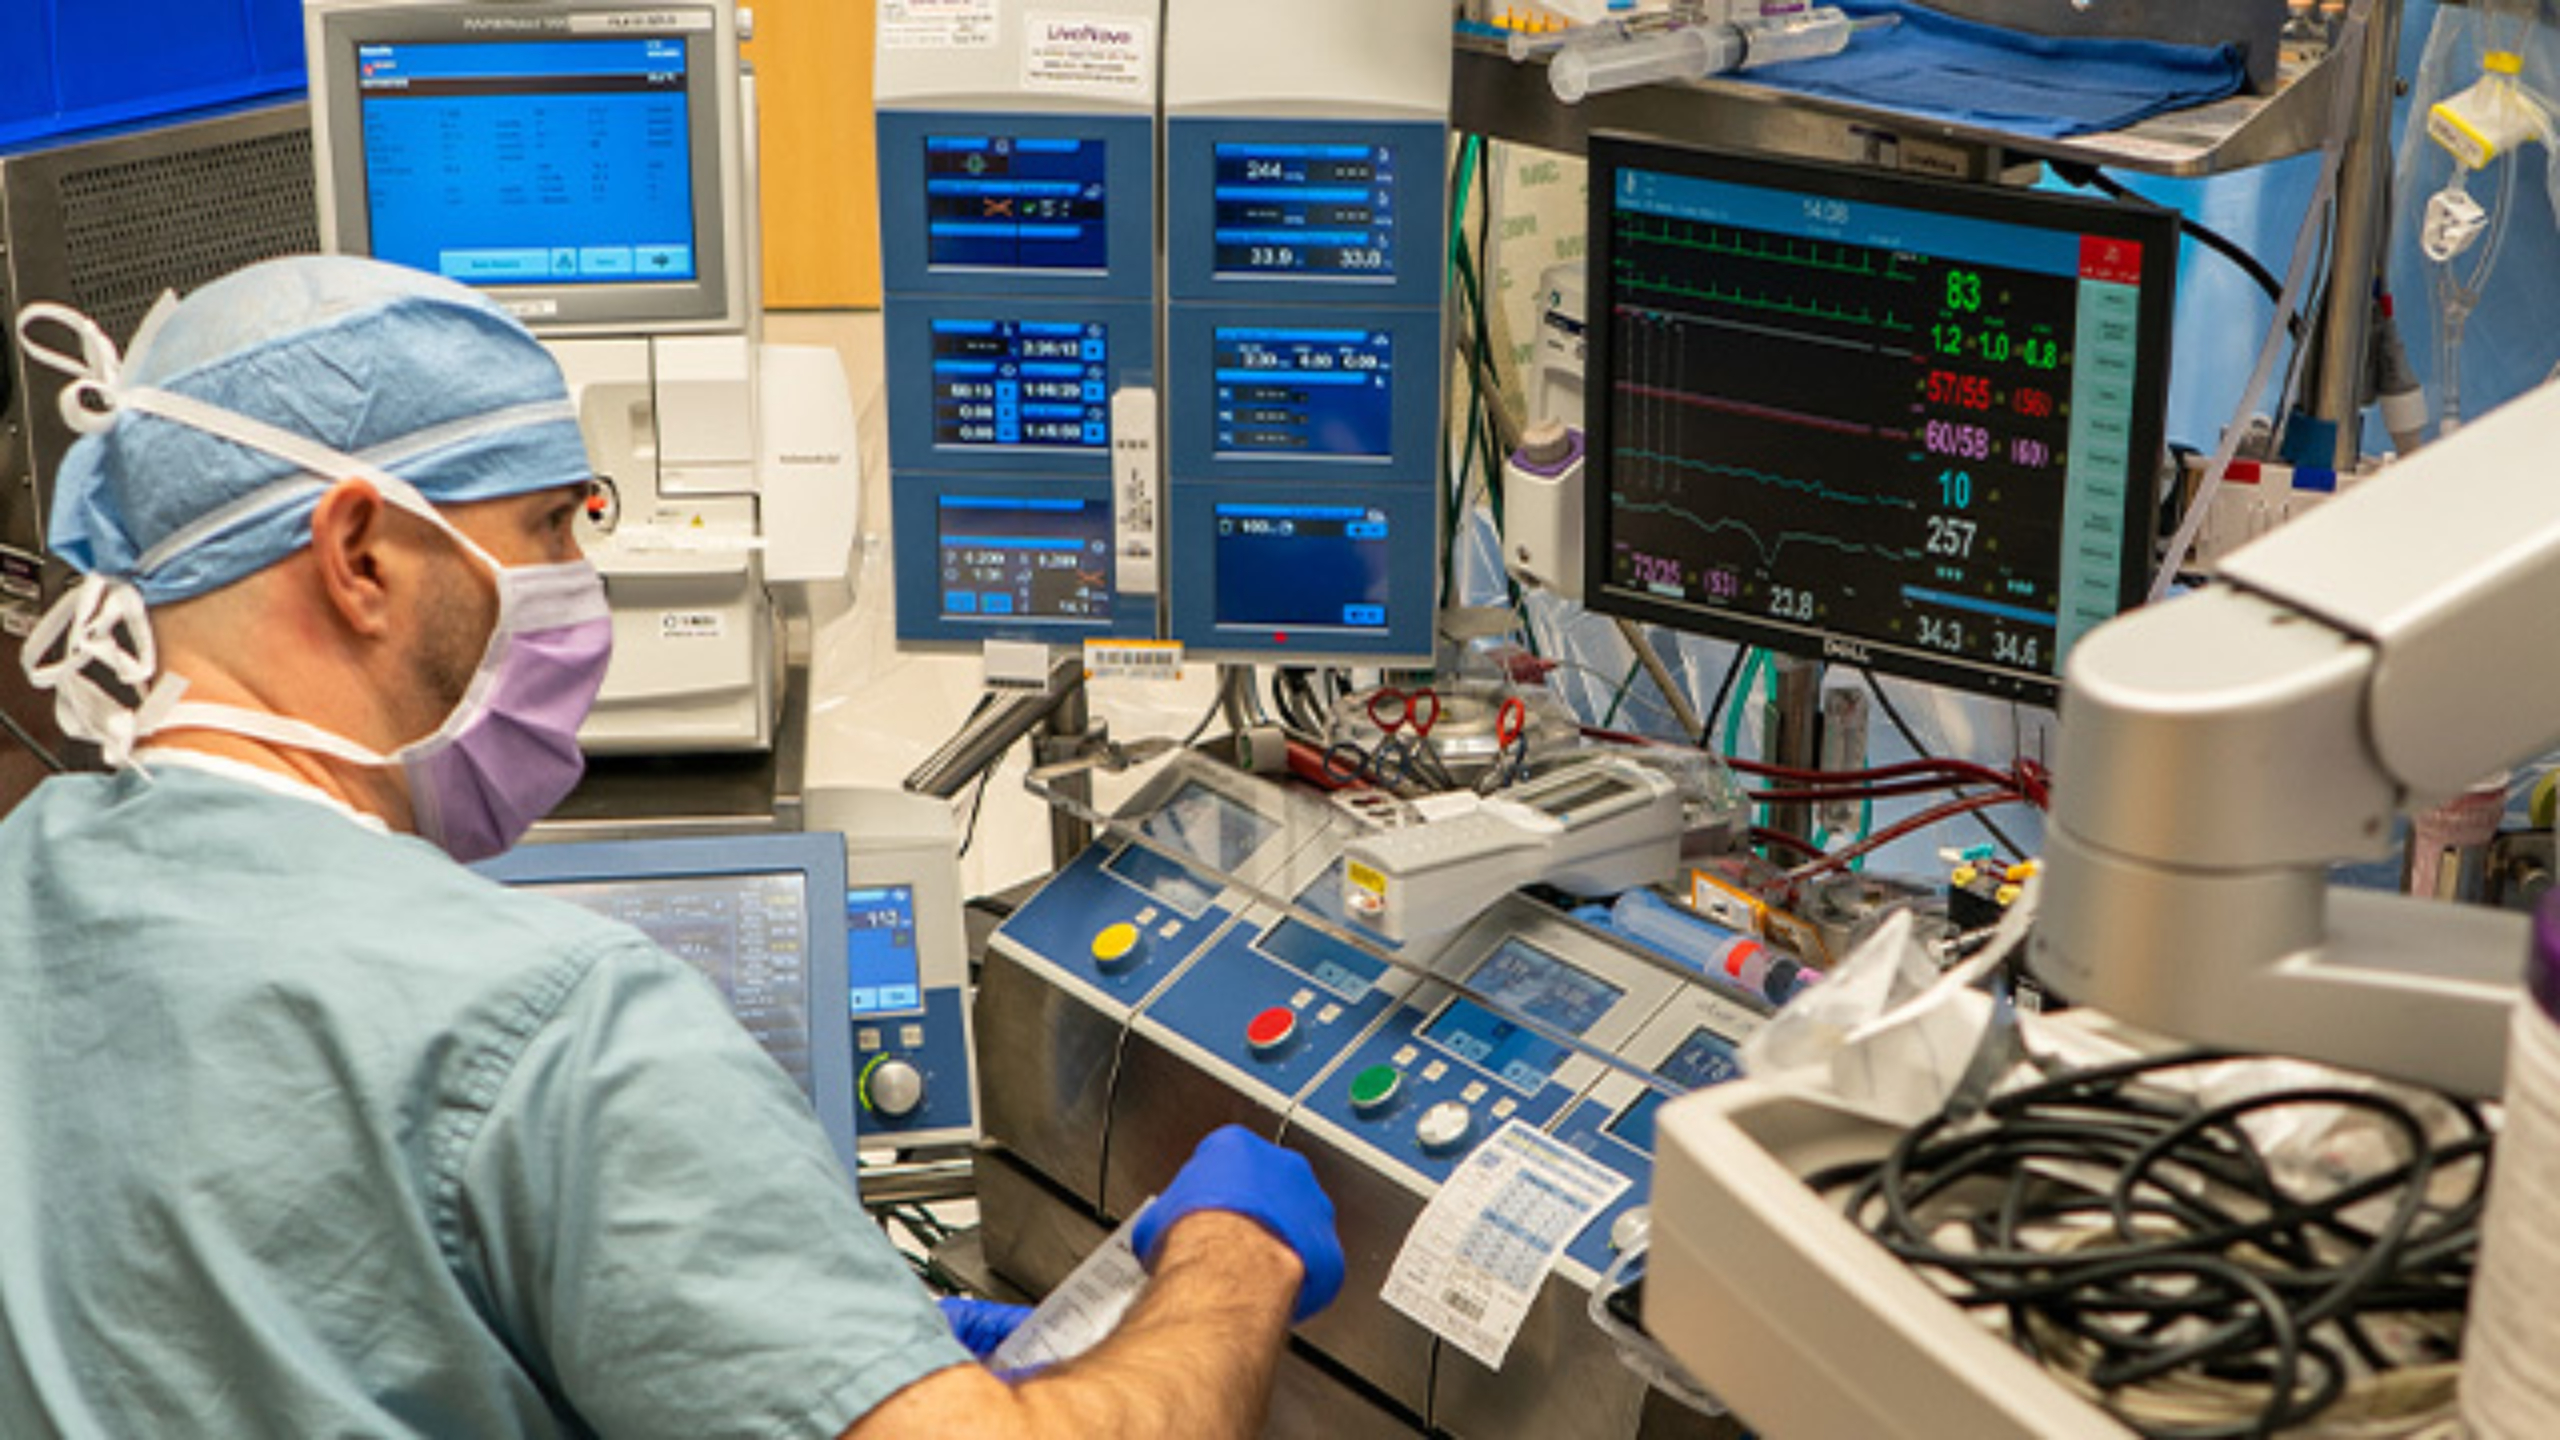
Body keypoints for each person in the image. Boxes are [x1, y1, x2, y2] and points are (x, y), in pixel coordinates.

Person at [0, 255, 1343, 1438]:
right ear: (360, 556)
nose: (582, 590)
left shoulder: (30, 882)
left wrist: (819, 1355)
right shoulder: (558, 1027)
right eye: (548, 529)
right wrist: (1230, 1261)